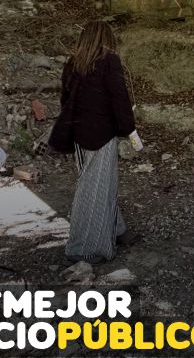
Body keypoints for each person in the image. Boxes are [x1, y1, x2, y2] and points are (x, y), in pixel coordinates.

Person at [49, 19, 141, 263]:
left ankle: (118, 229)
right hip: (101, 135)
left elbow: (65, 99)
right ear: (106, 38)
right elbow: (119, 98)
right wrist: (128, 129)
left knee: (96, 183)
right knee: (94, 189)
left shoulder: (73, 63)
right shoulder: (109, 61)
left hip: (78, 135)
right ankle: (84, 248)